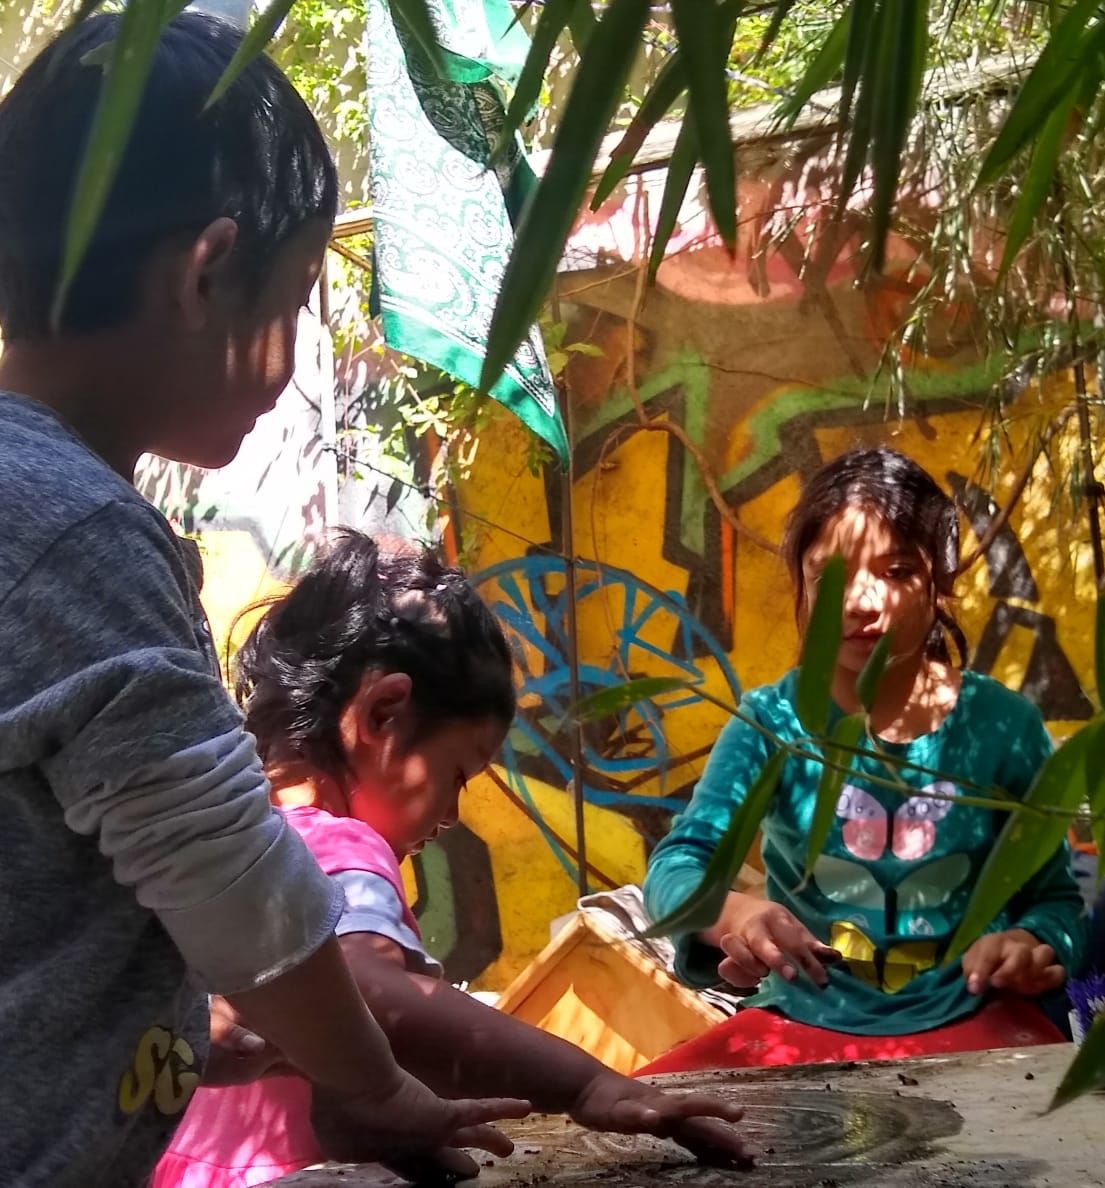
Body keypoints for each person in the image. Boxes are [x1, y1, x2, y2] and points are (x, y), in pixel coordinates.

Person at [0, 15, 528, 1187]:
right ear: (204, 275)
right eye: (291, 303)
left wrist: (205, 1026)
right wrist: (372, 1085)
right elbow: (233, 882)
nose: (290, 361)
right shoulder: (79, 533)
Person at [154, 532, 750, 1186]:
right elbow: (369, 992)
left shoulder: (209, 846)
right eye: (458, 774)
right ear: (382, 713)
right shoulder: (338, 847)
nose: (454, 814)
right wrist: (585, 1084)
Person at [643, 447, 1087, 1071]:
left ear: (940, 585)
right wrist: (734, 912)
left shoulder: (1002, 727)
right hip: (802, 1020)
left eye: (897, 571)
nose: (859, 600)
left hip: (976, 1021)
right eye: (829, 575)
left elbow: (1058, 902)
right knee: (647, 1112)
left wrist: (1030, 943)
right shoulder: (771, 724)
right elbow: (675, 870)